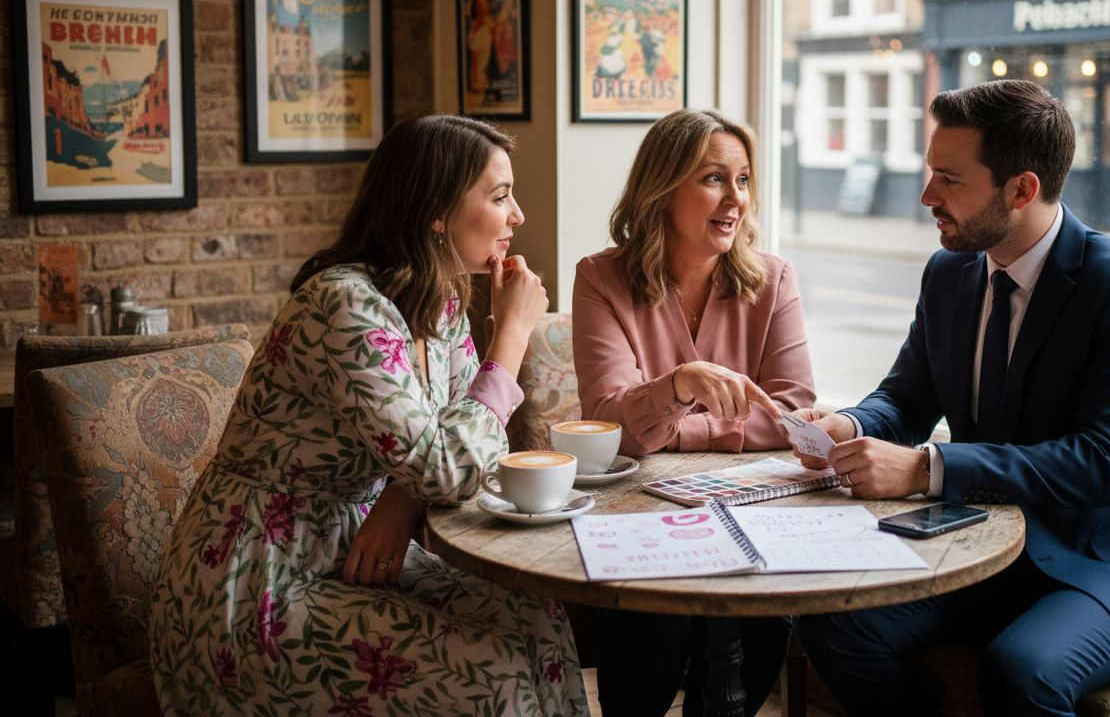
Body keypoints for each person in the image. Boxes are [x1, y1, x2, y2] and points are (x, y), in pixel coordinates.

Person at [148, 115, 589, 715]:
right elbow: (446, 465)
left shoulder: (441, 306)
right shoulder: (344, 303)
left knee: (537, 618)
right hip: (259, 577)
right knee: (495, 673)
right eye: (501, 195)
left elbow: (457, 450)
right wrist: (509, 339)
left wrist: (400, 499)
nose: (518, 216)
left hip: (355, 547)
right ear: (436, 209)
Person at [796, 79, 1110, 716]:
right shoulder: (949, 271)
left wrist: (928, 467)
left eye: (949, 180)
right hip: (982, 543)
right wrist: (848, 426)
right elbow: (906, 398)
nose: (927, 196)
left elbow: (1105, 462)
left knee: (1022, 670)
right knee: (837, 627)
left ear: (1022, 190)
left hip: (1104, 561)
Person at [572, 108, 815, 716]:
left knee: (762, 622)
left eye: (743, 179)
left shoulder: (774, 280)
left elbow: (792, 415)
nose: (735, 198)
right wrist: (681, 383)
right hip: (636, 517)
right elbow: (611, 425)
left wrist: (675, 419)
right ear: (662, 188)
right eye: (713, 178)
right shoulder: (599, 278)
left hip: (752, 510)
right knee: (651, 630)